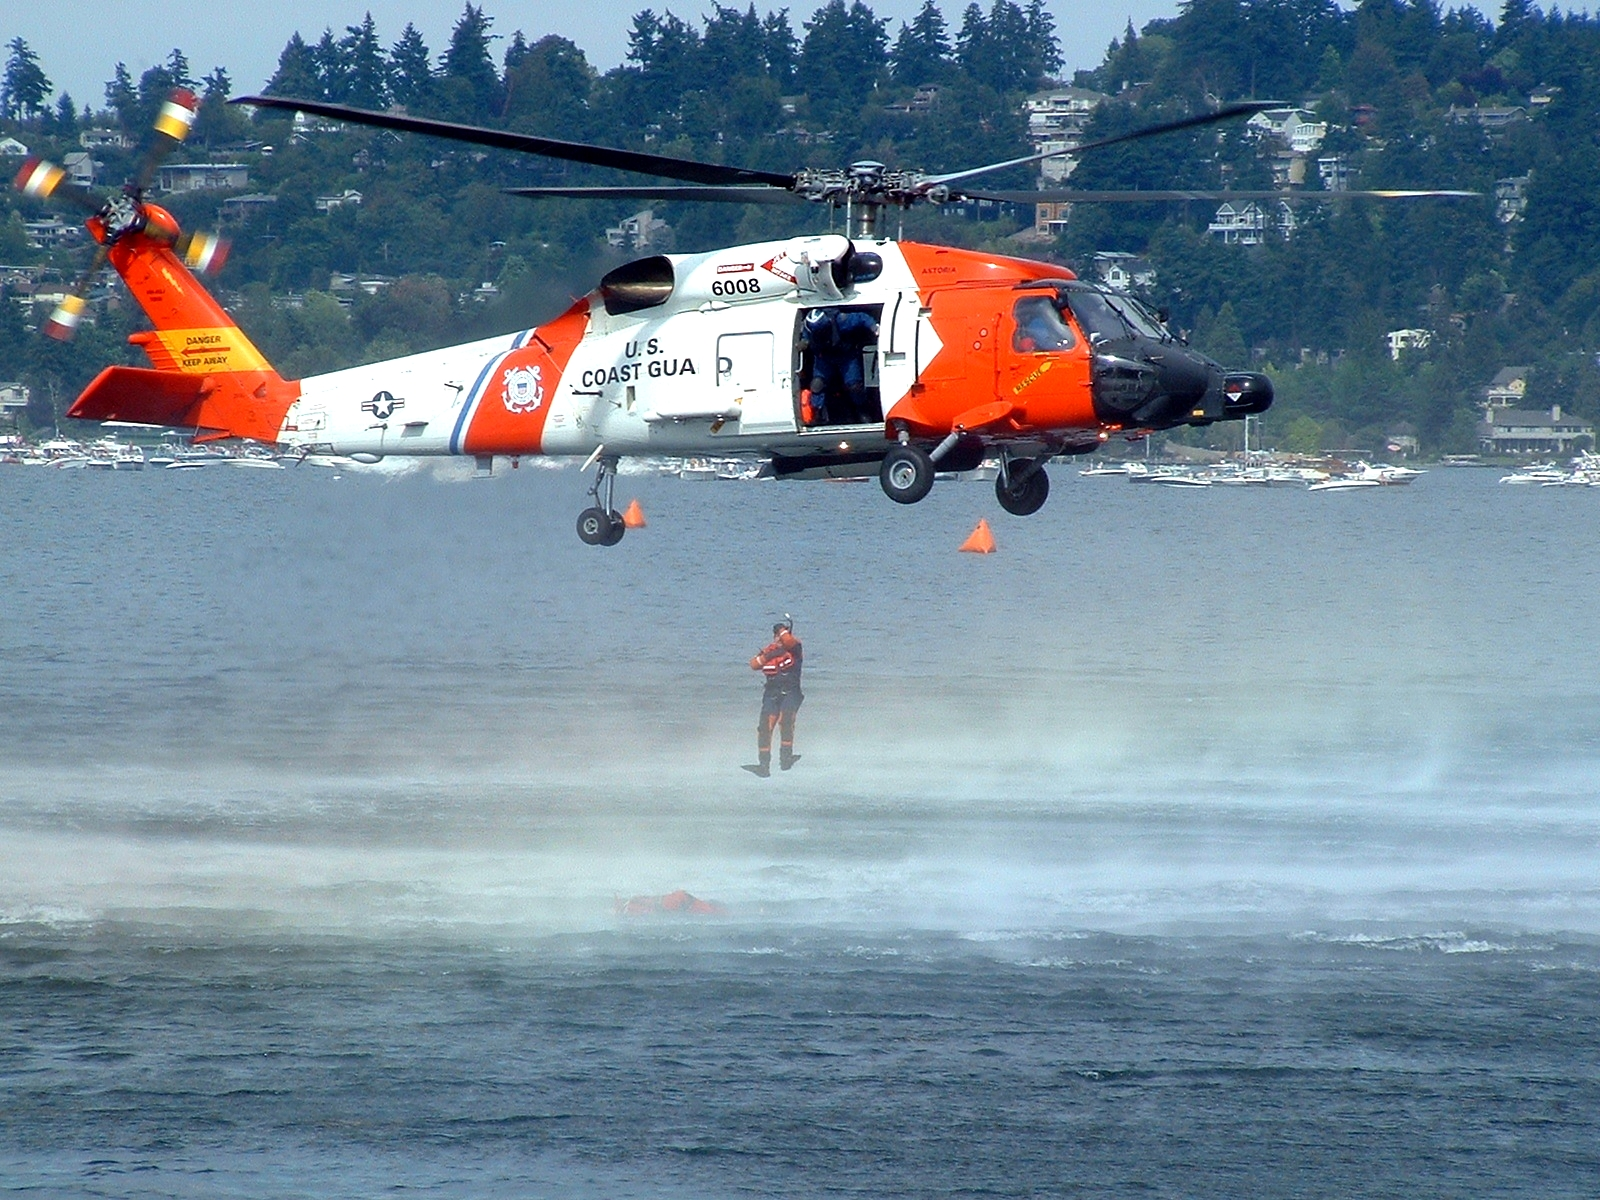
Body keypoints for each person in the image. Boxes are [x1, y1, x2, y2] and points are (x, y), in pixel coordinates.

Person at [801, 307, 878, 425]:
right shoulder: (809, 328)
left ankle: (862, 409)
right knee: (817, 385)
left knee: (854, 386)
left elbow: (862, 317)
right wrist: (804, 343)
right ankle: (817, 412)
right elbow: (806, 337)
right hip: (824, 358)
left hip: (846, 357)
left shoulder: (841, 321)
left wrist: (874, 327)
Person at [749, 617, 803, 776]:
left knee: (786, 721)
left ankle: (786, 758)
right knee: (765, 727)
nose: (779, 639)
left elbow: (789, 641)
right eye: (777, 636)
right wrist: (769, 655)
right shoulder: (769, 650)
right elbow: (754, 665)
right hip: (771, 692)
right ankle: (763, 765)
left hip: (791, 690)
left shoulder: (795, 648)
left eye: (781, 635)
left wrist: (781, 629)